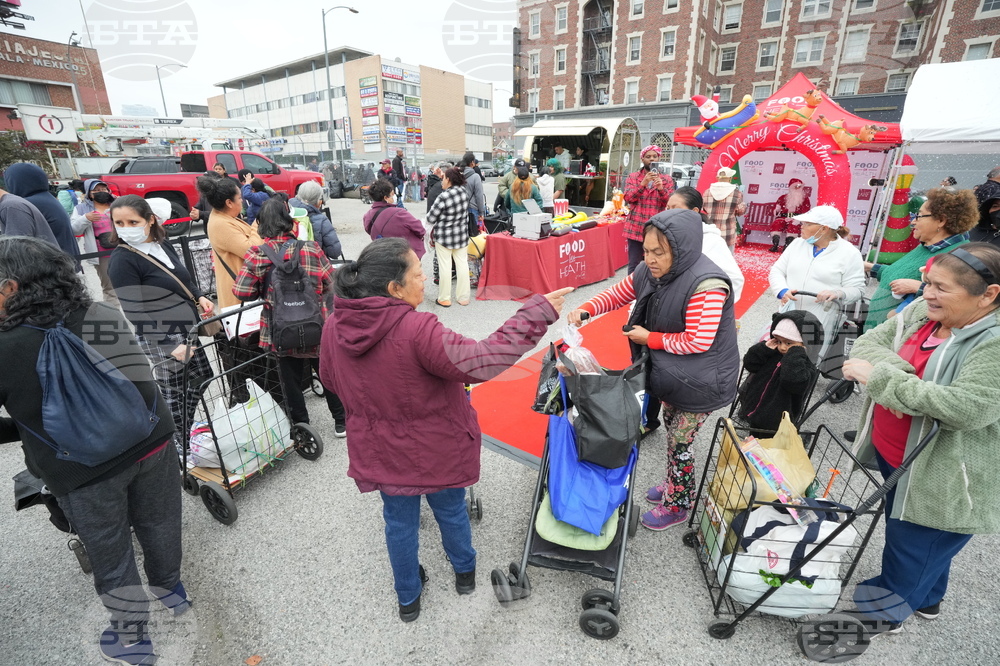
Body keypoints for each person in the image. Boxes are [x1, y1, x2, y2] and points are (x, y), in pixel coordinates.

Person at [319, 236, 572, 622]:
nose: (425, 281)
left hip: (380, 449)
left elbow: (331, 379)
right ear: (394, 288)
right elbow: (481, 361)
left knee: (398, 522)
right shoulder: (418, 329)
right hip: (438, 445)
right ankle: (464, 574)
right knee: (451, 511)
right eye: (419, 274)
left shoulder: (335, 324)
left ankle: (408, 598)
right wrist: (534, 313)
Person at [0, 236, 185, 665]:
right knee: (160, 521)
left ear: (11, 288)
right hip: (152, 438)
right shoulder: (99, 314)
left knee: (110, 550)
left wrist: (24, 429)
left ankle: (134, 642)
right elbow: (140, 379)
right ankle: (172, 591)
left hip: (82, 468)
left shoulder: (5, 348)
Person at [841, 242, 1000, 636]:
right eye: (927, 283)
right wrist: (906, 378)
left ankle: (883, 613)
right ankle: (928, 598)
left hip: (944, 471)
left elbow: (967, 408)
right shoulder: (925, 313)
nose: (926, 293)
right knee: (920, 533)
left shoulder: (993, 342)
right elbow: (868, 341)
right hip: (900, 455)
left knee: (913, 540)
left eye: (941, 288)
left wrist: (883, 378)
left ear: (989, 295)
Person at [568, 209, 740, 531]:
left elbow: (698, 341)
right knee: (674, 430)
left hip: (704, 378)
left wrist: (651, 338)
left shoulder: (707, 284)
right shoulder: (653, 270)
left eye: (658, 252)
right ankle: (673, 482)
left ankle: (678, 503)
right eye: (645, 251)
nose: (649, 259)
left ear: (681, 249)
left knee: (680, 442)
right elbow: (620, 292)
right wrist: (587, 309)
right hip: (677, 371)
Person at [107, 195, 214, 455]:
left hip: (184, 327)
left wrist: (199, 295)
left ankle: (181, 429)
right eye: (119, 222)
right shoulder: (122, 260)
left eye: (133, 221)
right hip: (160, 334)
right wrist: (168, 345)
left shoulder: (160, 244)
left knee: (202, 377)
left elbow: (182, 277)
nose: (126, 227)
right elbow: (134, 311)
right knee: (174, 394)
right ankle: (176, 441)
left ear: (150, 220)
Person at [232, 198, 346, 437]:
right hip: (316, 324)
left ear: (261, 225)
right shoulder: (311, 248)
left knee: (290, 379)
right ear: (289, 222)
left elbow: (242, 292)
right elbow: (331, 281)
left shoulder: (257, 254)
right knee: (327, 371)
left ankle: (302, 425)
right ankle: (341, 421)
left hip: (279, 328)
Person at [864, 187, 978, 332]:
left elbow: (961, 299)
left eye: (919, 216)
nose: (913, 222)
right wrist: (869, 267)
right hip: (880, 334)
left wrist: (919, 287)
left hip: (904, 342)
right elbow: (899, 274)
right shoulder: (926, 246)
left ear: (941, 220)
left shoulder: (958, 255)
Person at [769, 206, 865, 362]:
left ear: (824, 229)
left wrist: (837, 293)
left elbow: (857, 289)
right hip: (789, 313)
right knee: (777, 356)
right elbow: (777, 271)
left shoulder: (849, 253)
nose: (801, 226)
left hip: (820, 319)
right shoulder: (797, 244)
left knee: (807, 361)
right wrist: (781, 290)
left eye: (807, 224)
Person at [738, 311, 822, 437]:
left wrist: (795, 354)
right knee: (755, 441)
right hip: (756, 411)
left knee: (770, 448)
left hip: (777, 421)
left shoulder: (806, 365)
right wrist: (763, 349)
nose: (782, 347)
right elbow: (751, 364)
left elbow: (794, 382)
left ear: (806, 344)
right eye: (779, 341)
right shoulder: (772, 354)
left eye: (789, 343)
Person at [667, 186, 744, 303]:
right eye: (668, 208)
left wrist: (709, 303)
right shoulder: (665, 235)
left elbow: (734, 279)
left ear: (694, 212)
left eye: (675, 208)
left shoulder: (710, 240)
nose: (669, 213)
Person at [3, 163, 80, 269]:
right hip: (65, 261)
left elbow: (18, 246)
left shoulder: (23, 204)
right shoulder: (47, 198)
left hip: (51, 268)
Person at [622, 145, 674, 273]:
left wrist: (661, 189)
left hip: (657, 228)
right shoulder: (633, 177)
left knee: (656, 263)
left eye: (654, 156)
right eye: (648, 157)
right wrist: (642, 184)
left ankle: (653, 291)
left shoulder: (666, 179)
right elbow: (628, 198)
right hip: (636, 227)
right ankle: (633, 291)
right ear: (642, 159)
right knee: (634, 264)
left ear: (659, 158)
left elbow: (670, 203)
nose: (651, 159)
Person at [426, 167, 471, 307]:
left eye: (444, 178)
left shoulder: (443, 196)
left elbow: (431, 217)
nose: (442, 181)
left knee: (445, 267)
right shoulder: (464, 192)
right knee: (462, 265)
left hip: (445, 237)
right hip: (461, 235)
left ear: (449, 180)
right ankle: (463, 297)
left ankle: (445, 298)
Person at [70, 179, 119, 303]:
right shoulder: (81, 208)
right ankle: (115, 318)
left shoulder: (118, 203)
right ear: (89, 193)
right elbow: (74, 230)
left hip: (122, 250)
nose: (101, 192)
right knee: (110, 288)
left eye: (103, 189)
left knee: (131, 284)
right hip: (101, 254)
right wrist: (85, 218)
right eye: (96, 190)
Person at [363, 179, 425, 258]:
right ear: (386, 197)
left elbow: (370, 231)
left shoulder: (367, 216)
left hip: (384, 255)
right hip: (407, 254)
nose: (394, 196)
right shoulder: (400, 213)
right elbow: (420, 229)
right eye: (392, 194)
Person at [288, 180, 343, 260]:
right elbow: (335, 252)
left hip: (289, 263)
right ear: (317, 201)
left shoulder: (287, 213)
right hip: (313, 264)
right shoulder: (321, 220)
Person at [701, 166, 747, 250]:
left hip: (711, 232)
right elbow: (740, 211)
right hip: (728, 234)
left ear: (717, 178)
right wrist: (743, 205)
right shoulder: (737, 194)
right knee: (727, 260)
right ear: (730, 178)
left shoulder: (707, 192)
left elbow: (704, 209)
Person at [769, 178, 812, 252]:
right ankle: (775, 244)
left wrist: (798, 219)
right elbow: (776, 211)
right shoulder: (783, 197)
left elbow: (806, 211)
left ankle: (787, 246)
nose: (797, 188)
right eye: (795, 186)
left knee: (793, 226)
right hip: (783, 217)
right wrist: (777, 210)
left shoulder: (805, 199)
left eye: (799, 186)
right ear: (791, 188)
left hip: (796, 218)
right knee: (777, 223)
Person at [461, 152, 487, 234]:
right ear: (472, 162)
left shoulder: (458, 175)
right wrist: (481, 212)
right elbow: (479, 195)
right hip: (472, 209)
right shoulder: (475, 176)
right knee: (473, 234)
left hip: (460, 208)